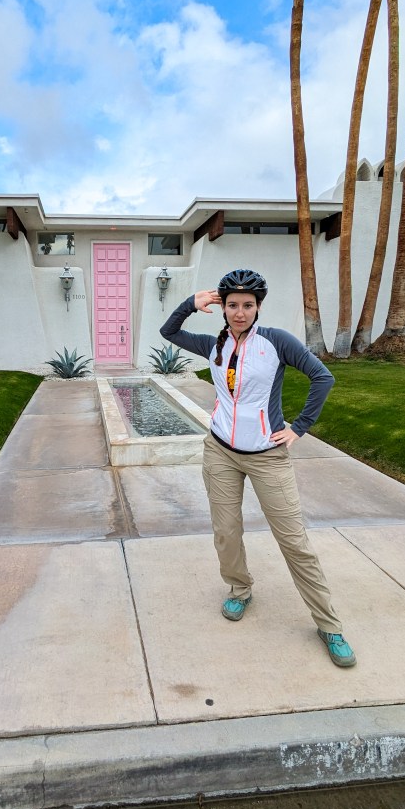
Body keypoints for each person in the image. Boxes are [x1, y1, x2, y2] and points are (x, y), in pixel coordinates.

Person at [160, 268, 356, 668]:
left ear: (258, 307)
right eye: (232, 305)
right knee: (226, 531)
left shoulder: (275, 342)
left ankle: (329, 625)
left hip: (267, 456)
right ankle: (239, 588)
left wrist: (298, 428)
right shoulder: (212, 344)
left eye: (247, 305)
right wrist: (190, 305)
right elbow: (169, 331)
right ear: (223, 308)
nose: (239, 312)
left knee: (294, 541)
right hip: (220, 451)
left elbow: (323, 377)